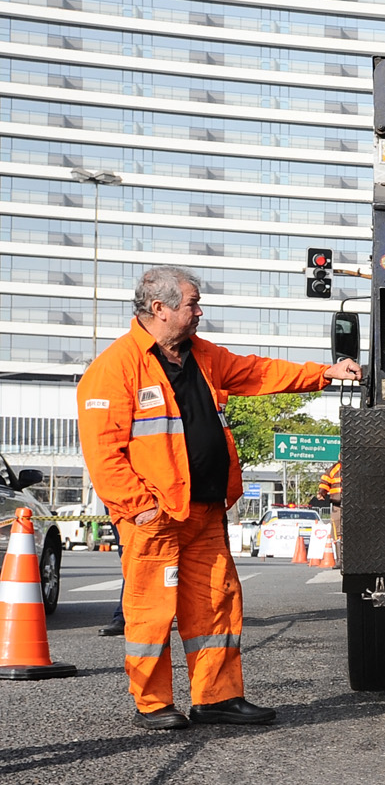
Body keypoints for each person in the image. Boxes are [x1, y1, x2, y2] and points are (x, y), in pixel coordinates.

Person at [77, 266, 361, 730]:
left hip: (205, 512)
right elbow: (104, 456)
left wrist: (322, 374)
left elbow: (256, 371)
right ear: (160, 308)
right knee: (151, 614)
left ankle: (216, 698)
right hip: (156, 517)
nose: (199, 312)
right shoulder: (115, 368)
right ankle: (153, 703)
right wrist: (142, 510)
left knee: (216, 606)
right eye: (192, 304)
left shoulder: (202, 356)